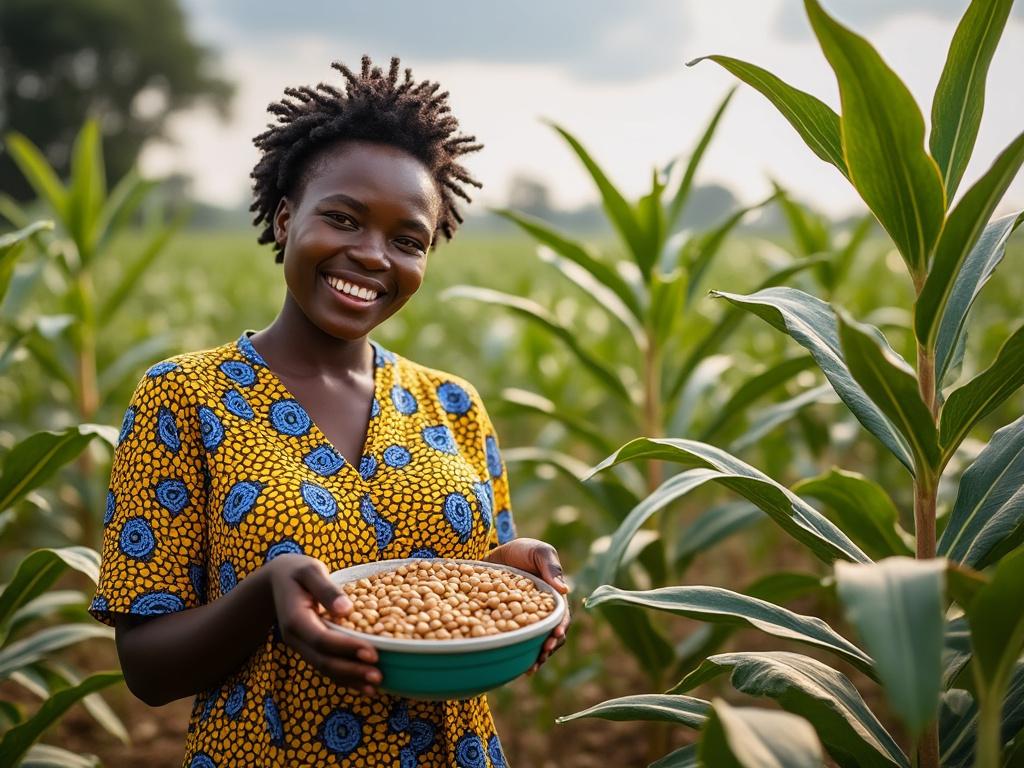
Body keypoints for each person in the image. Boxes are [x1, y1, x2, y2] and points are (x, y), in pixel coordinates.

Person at [88, 56, 570, 767]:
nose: (372, 255)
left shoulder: (454, 403)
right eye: (342, 219)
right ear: (285, 219)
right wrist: (266, 594)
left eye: (407, 240)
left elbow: (463, 590)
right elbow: (147, 671)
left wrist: (516, 571)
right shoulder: (184, 397)